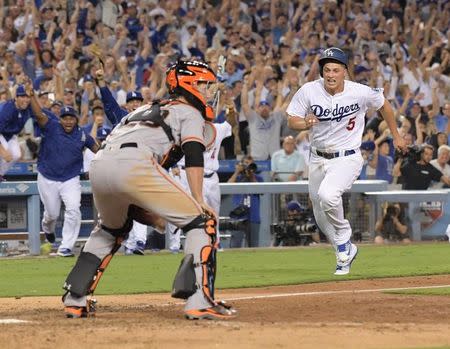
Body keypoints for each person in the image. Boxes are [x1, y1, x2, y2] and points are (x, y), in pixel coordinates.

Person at [61, 60, 236, 320]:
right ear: (191, 84)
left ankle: (75, 299)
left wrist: (152, 213)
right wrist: (198, 199)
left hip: (100, 164)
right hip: (134, 163)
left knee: (110, 230)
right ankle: (200, 300)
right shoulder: (188, 112)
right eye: (205, 85)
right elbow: (193, 152)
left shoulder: (144, 110)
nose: (210, 91)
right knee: (202, 221)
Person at [286, 47, 407, 275]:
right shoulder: (309, 90)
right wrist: (305, 123)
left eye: (336, 70)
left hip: (347, 157)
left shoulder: (359, 92)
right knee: (320, 215)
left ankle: (343, 237)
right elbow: (292, 120)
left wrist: (397, 135)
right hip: (317, 158)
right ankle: (344, 250)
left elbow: (384, 104)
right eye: (327, 70)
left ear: (345, 72)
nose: (331, 74)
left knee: (328, 195)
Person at [27, 84, 100, 257]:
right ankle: (47, 228)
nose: (68, 121)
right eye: (65, 118)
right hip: (47, 176)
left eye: (71, 118)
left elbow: (98, 148)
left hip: (70, 178)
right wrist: (31, 96)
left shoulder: (82, 135)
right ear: (60, 118)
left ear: (75, 119)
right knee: (51, 214)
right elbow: (38, 114)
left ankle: (66, 247)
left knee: (74, 209)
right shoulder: (52, 126)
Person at [168, 120, 232, 253]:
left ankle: (215, 241)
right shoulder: (185, 127)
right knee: (180, 208)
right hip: (186, 172)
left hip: (211, 175)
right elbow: (170, 144)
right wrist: (172, 165)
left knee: (214, 211)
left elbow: (232, 124)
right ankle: (174, 244)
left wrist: (230, 107)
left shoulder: (218, 128)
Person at [227, 155, 263, 247]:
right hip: (238, 216)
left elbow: (261, 191)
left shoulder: (258, 178)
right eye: (246, 163)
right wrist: (237, 172)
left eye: (251, 164)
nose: (248, 166)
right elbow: (227, 187)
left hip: (253, 216)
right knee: (235, 246)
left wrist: (251, 176)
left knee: (254, 246)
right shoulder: (237, 178)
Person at [0, 85, 34, 181]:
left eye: (27, 96)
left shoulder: (27, 108)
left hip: (10, 135)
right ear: (16, 97)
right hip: (1, 133)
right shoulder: (8, 109)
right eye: (22, 96)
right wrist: (1, 149)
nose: (26, 99)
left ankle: (0, 174)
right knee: (5, 151)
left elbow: (41, 112)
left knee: (16, 154)